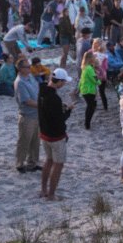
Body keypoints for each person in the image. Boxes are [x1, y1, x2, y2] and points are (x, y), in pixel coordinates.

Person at [38, 68, 74, 201]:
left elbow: (47, 112)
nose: (63, 84)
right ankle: (51, 194)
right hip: (55, 136)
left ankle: (43, 190)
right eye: (63, 82)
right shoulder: (54, 98)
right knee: (58, 164)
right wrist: (68, 110)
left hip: (44, 133)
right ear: (59, 81)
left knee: (49, 161)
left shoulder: (42, 91)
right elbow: (60, 120)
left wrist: (61, 108)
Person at [13, 57, 41, 173]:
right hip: (27, 116)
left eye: (30, 66)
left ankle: (32, 163)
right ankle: (19, 164)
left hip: (37, 114)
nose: (30, 68)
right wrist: (43, 105)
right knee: (24, 141)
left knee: (36, 141)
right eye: (27, 67)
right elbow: (26, 101)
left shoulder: (30, 77)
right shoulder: (20, 82)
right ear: (20, 69)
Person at [79, 51, 100, 130]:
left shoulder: (85, 67)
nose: (95, 58)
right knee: (91, 107)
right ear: (90, 58)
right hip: (89, 90)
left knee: (91, 106)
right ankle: (87, 124)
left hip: (85, 90)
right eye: (94, 57)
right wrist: (99, 82)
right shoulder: (89, 68)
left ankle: (87, 123)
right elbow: (94, 79)